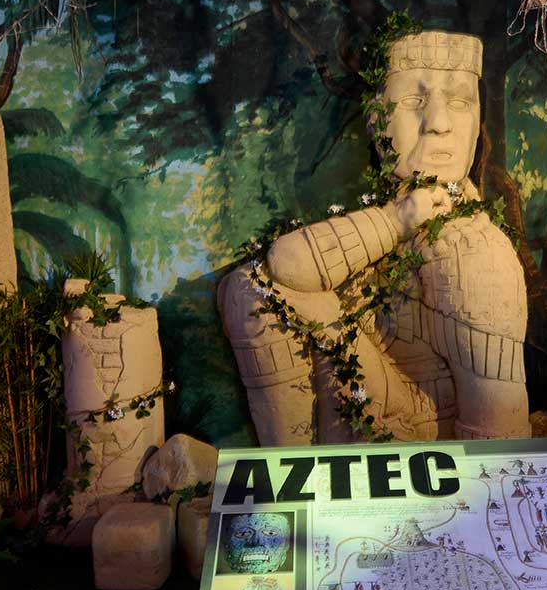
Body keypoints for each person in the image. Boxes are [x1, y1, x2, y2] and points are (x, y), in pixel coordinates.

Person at [219, 30, 529, 444]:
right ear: (375, 121)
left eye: (459, 103)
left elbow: (500, 431)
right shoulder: (400, 212)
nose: (438, 124)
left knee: (252, 289)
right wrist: (395, 221)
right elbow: (286, 264)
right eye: (414, 102)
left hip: (415, 433)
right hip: (372, 389)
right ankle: (288, 466)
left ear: (477, 126)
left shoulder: (475, 252)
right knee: (248, 288)